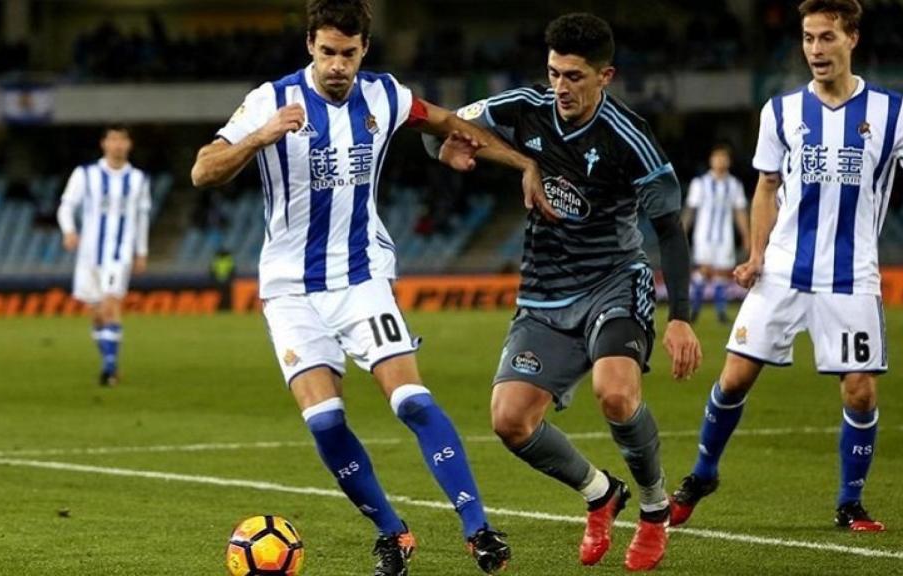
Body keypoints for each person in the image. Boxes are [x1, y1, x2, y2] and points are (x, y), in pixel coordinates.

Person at [190, 1, 555, 574]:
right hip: (290, 289)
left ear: (365, 50)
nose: (338, 65)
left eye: (349, 54)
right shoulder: (270, 100)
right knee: (326, 420)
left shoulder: (386, 95)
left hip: (362, 277)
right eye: (328, 52)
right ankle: (392, 532)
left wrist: (522, 166)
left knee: (411, 400)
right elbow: (203, 169)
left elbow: (449, 124)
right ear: (310, 44)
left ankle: (478, 528)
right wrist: (260, 136)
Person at [428, 13, 702, 572]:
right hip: (545, 292)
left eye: (574, 76)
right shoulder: (525, 105)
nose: (561, 87)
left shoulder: (633, 140)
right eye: (554, 73)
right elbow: (451, 125)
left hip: (614, 283)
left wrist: (681, 317)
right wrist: (451, 149)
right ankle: (601, 493)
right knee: (509, 420)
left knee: (616, 394)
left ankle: (653, 509)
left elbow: (671, 232)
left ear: (606, 75)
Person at [670, 0, 896, 533]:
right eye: (808, 38)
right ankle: (702, 475)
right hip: (783, 270)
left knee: (860, 388)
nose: (815, 49)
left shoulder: (892, 113)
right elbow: (767, 185)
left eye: (826, 38)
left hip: (851, 275)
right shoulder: (782, 111)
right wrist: (755, 255)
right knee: (733, 379)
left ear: (852, 40)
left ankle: (850, 503)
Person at [57, 125, 151, 387]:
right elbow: (66, 206)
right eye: (113, 139)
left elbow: (142, 217)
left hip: (119, 254)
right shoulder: (85, 174)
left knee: (111, 305)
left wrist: (141, 252)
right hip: (88, 255)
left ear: (129, 144)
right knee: (97, 314)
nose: (118, 144)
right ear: (104, 144)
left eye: (122, 139)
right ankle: (110, 361)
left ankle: (109, 370)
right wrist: (69, 231)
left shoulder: (138, 180)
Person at [682, 143, 750, 323]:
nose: (720, 161)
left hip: (725, 237)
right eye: (717, 157)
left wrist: (746, 235)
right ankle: (694, 311)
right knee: (703, 271)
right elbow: (691, 210)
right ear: (711, 161)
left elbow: (740, 211)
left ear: (729, 161)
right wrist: (682, 230)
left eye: (724, 158)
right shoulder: (700, 183)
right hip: (704, 235)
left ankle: (721, 314)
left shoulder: (734, 185)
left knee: (722, 274)